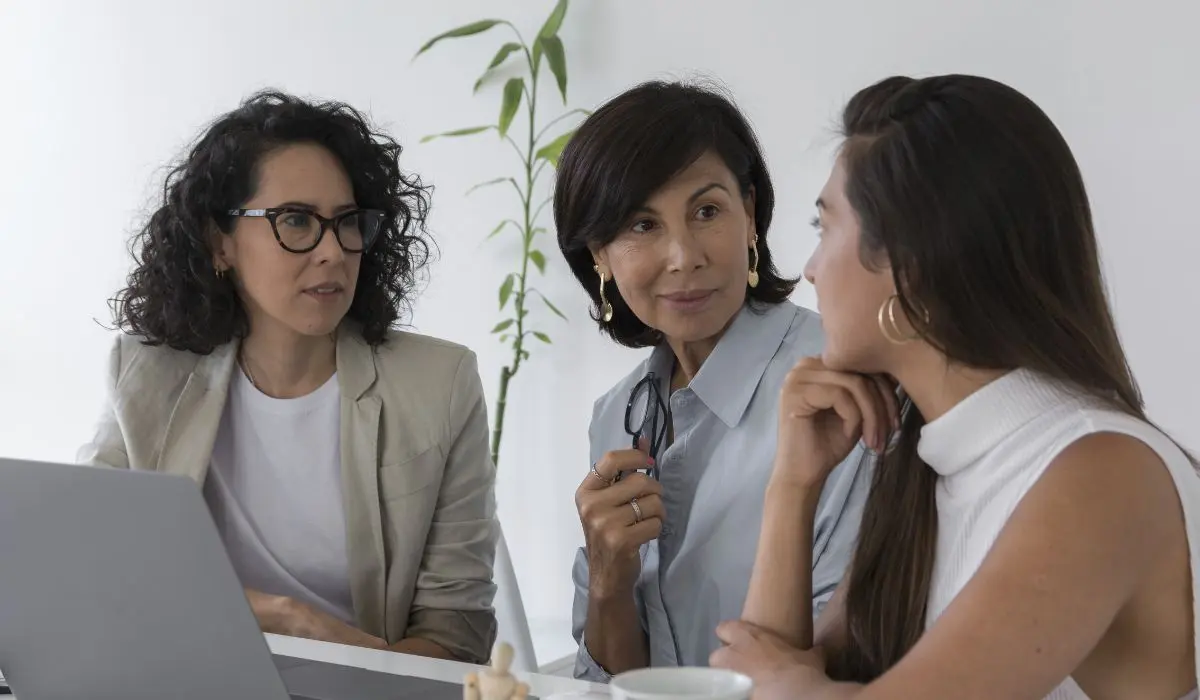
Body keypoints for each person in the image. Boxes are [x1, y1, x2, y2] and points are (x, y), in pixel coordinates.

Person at [710, 74, 1200, 700]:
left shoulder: (1101, 471)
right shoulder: (930, 470)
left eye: (823, 227)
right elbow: (755, 680)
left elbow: (773, 682)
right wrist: (793, 485)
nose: (808, 270)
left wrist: (790, 684)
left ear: (910, 271)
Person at [78, 90, 499, 664]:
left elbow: (458, 637)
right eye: (296, 221)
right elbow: (88, 571)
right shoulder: (146, 373)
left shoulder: (439, 384)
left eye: (347, 223)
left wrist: (342, 657)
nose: (331, 251)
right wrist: (282, 617)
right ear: (219, 241)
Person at [553, 80, 873, 682]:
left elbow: (844, 663)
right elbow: (619, 687)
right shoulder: (615, 416)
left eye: (706, 211)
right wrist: (607, 587)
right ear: (599, 254)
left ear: (749, 215)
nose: (682, 256)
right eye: (641, 226)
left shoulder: (840, 385)